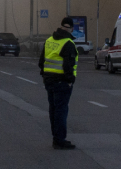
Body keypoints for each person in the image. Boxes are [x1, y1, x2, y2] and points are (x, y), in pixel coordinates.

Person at [39, 17, 79, 150]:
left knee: (53, 109)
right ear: (71, 29)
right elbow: (68, 65)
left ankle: (56, 138)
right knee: (61, 111)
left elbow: (41, 62)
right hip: (62, 82)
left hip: (49, 81)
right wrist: (70, 80)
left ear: (61, 26)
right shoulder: (68, 43)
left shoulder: (49, 40)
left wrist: (45, 75)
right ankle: (60, 140)